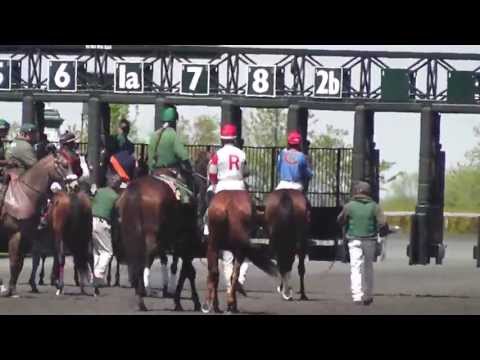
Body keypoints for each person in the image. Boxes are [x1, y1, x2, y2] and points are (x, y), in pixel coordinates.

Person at [206, 123, 250, 296]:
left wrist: (215, 183)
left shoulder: (217, 154)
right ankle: (251, 227)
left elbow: (212, 173)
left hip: (222, 186)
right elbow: (246, 172)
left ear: (222, 138)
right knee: (250, 205)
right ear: (235, 138)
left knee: (208, 201)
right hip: (239, 186)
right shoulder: (241, 153)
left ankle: (205, 224)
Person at [337, 181, 388, 306]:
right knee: (368, 267)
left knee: (355, 267)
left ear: (357, 192)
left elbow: (340, 220)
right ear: (368, 193)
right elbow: (382, 223)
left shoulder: (349, 206)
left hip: (354, 239)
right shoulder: (375, 206)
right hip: (370, 240)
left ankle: (357, 296)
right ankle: (368, 294)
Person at [147, 106, 194, 192]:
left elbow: (150, 158)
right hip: (170, 172)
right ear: (173, 121)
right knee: (186, 194)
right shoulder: (173, 135)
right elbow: (183, 155)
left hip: (154, 173)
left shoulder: (154, 135)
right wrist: (190, 168)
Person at [91, 174, 122, 286]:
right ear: (118, 185)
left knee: (97, 251)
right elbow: (117, 216)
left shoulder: (99, 191)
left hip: (91, 221)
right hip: (102, 223)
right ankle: (98, 274)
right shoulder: (116, 197)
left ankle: (93, 276)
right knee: (108, 252)